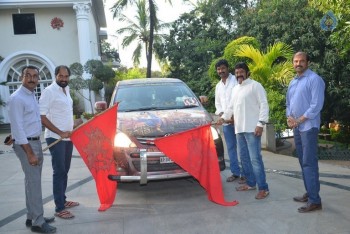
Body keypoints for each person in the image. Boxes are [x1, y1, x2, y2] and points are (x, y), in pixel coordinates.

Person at [8, 66, 57, 233]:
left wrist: (13, 136)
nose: (32, 79)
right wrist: (29, 153)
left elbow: (23, 122)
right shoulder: (17, 98)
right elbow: (18, 127)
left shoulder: (30, 96)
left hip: (34, 142)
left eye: (35, 76)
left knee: (30, 182)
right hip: (27, 146)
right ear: (22, 77)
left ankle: (32, 215)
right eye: (28, 75)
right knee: (35, 183)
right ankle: (38, 221)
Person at [218, 62, 270, 200]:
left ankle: (263, 188)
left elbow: (264, 105)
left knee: (255, 160)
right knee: (245, 159)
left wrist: (260, 124)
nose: (239, 74)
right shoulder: (235, 89)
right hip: (239, 130)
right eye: (236, 72)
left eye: (241, 72)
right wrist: (223, 118)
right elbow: (230, 108)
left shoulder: (255, 86)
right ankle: (251, 183)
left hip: (252, 129)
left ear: (247, 73)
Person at [39, 65, 81, 219]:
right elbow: (42, 116)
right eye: (61, 76)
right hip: (56, 138)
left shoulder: (66, 90)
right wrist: (60, 132)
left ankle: (63, 199)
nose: (64, 79)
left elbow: (63, 113)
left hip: (68, 137)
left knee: (65, 170)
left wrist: (74, 124)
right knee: (59, 172)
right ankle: (59, 208)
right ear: (55, 76)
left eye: (66, 76)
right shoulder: (49, 92)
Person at [286, 51, 325, 213]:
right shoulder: (293, 82)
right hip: (297, 127)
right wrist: (289, 117)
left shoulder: (315, 80)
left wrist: (299, 120)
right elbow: (288, 103)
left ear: (307, 62)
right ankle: (310, 193)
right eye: (295, 61)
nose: (298, 64)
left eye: (301, 61)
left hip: (308, 127)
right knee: (303, 162)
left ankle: (315, 200)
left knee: (309, 162)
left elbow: (316, 105)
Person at [214, 59, 244, 183]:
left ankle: (246, 174)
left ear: (227, 68)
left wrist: (233, 117)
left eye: (223, 68)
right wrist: (222, 114)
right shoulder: (218, 86)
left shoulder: (236, 81)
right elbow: (218, 104)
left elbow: (240, 99)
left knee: (243, 148)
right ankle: (235, 172)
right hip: (226, 122)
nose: (221, 71)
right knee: (231, 148)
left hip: (239, 121)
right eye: (219, 69)